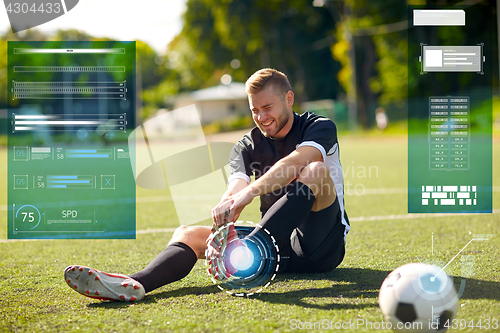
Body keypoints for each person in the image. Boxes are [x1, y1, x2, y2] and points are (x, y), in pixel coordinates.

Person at [64, 68, 350, 302]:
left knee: (314, 170)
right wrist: (223, 223)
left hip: (321, 246)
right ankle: (134, 284)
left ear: (289, 99)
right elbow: (236, 187)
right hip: (275, 246)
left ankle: (252, 248)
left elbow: (296, 164)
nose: (261, 117)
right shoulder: (246, 145)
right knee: (189, 232)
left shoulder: (319, 126)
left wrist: (250, 194)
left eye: (267, 107)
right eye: (255, 111)